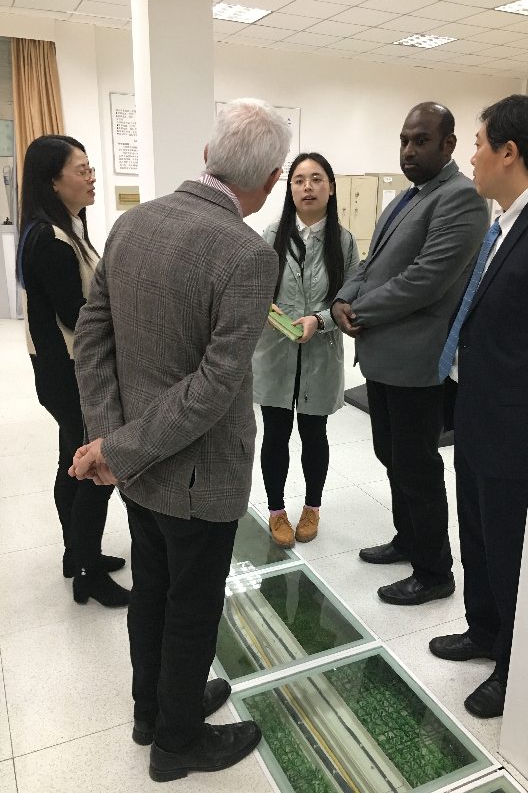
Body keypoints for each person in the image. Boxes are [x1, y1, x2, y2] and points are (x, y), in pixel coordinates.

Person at [69, 98, 291, 782]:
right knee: (191, 607)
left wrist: (111, 441)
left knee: (153, 590)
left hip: (135, 471)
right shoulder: (248, 254)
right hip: (197, 474)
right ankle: (177, 743)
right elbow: (213, 388)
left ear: (206, 155)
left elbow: (92, 337)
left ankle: (155, 710)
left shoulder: (132, 223)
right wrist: (120, 449)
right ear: (273, 179)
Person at [431, 95, 528, 719]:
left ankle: (514, 666)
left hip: (516, 425)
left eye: (479, 144)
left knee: (509, 548)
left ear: (510, 152)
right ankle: (483, 630)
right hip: (478, 412)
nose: (471, 157)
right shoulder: (506, 222)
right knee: (479, 535)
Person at [332, 102, 489, 605]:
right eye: (404, 140)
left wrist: (361, 310)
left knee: (417, 468)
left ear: (449, 144)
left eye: (421, 140)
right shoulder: (406, 197)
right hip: (383, 358)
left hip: (417, 364)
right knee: (392, 457)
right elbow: (369, 261)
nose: (408, 150)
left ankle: (434, 572)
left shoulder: (462, 198)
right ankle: (409, 540)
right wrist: (341, 299)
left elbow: (426, 280)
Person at [18, 135, 128, 607]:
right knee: (94, 470)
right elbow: (77, 315)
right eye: (81, 170)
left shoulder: (64, 228)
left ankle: (77, 555)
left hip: (60, 370)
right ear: (53, 181)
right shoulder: (52, 240)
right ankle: (87, 574)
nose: (91, 177)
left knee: (72, 461)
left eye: (90, 168)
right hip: (71, 374)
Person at [253, 152, 360, 548]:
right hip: (275, 351)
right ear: (290, 190)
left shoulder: (343, 242)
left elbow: (352, 297)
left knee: (315, 434)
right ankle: (276, 511)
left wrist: (320, 319)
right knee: (275, 434)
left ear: (330, 188)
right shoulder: (271, 235)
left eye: (316, 179)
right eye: (299, 180)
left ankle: (312, 507)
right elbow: (254, 289)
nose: (307, 187)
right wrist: (268, 310)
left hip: (321, 351)